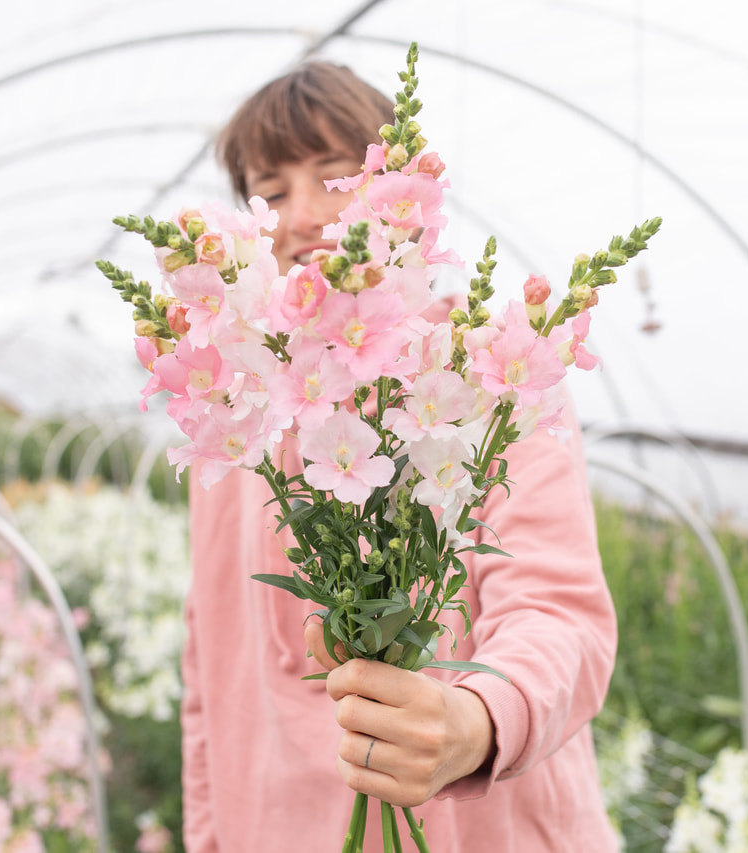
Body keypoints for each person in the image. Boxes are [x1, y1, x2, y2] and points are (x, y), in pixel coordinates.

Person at [180, 60, 619, 851]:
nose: (304, 215)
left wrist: (479, 719)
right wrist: (210, 833)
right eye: (271, 192)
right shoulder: (233, 412)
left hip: (480, 827)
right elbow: (209, 671)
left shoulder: (485, 372)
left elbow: (560, 615)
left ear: (403, 204)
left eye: (340, 179)